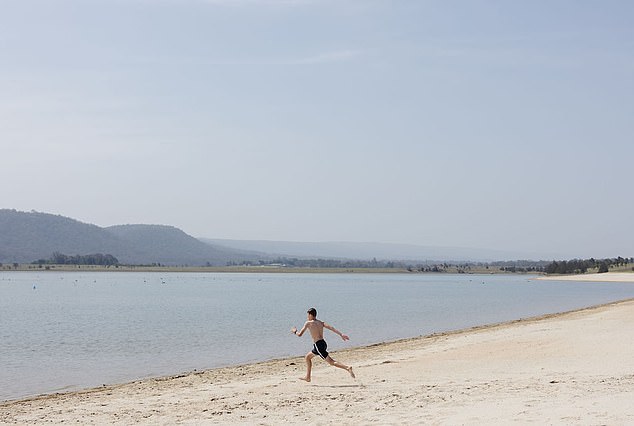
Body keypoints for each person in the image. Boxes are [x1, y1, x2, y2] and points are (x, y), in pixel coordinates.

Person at [291, 307, 355, 382]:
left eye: (308, 315)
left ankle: (347, 368)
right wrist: (341, 334)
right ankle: (308, 377)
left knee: (331, 362)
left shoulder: (308, 323)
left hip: (318, 346)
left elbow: (300, 334)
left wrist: (295, 331)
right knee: (307, 357)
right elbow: (331, 328)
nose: (307, 317)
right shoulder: (320, 322)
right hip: (323, 343)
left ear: (311, 315)